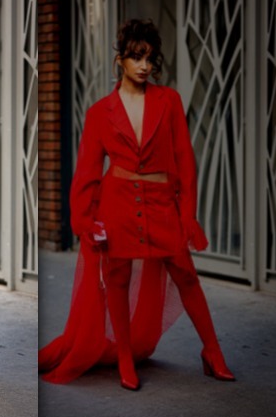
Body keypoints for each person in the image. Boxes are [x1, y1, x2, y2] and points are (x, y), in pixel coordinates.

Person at [39, 19, 235, 391]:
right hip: (118, 205)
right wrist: (85, 220)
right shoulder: (100, 112)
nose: (144, 66)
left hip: (163, 204)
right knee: (118, 277)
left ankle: (213, 352)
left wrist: (187, 215)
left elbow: (185, 162)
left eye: (149, 58)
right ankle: (125, 358)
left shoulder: (169, 101)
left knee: (186, 274)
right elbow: (87, 173)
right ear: (120, 60)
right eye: (136, 57)